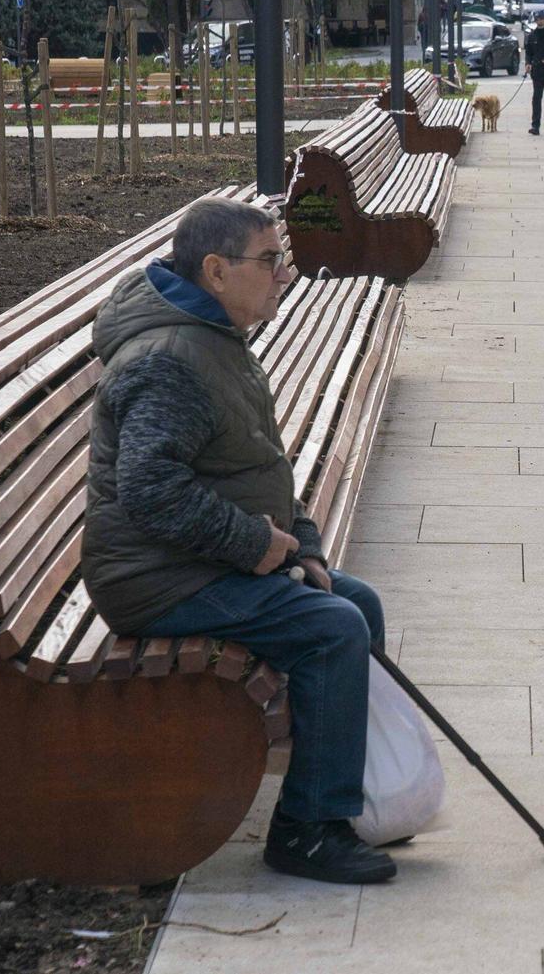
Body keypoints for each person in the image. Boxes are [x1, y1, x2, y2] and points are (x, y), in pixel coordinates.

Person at [81, 198, 394, 886]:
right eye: (270, 260)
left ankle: (343, 795)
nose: (285, 273)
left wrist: (303, 545)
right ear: (217, 271)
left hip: (193, 559)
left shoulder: (212, 337)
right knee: (333, 629)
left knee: (356, 602)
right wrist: (257, 544)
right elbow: (150, 491)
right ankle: (308, 830)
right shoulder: (170, 360)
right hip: (155, 578)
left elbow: (253, 465)